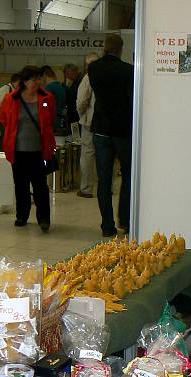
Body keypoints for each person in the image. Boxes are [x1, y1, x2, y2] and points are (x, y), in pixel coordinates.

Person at [0, 66, 56, 233]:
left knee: (40, 185)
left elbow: (50, 119)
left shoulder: (47, 98)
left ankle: (44, 218)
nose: (38, 82)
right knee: (21, 184)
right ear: (24, 81)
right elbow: (4, 118)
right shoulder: (11, 98)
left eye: (39, 79)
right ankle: (21, 215)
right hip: (17, 149)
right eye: (34, 79)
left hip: (39, 149)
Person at [88, 34, 133, 236]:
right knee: (127, 175)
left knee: (104, 180)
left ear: (105, 48)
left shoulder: (93, 68)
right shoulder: (128, 70)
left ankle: (107, 225)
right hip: (123, 130)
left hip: (101, 129)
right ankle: (125, 220)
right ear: (121, 49)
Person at [75, 53, 100, 199]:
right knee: (105, 156)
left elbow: (81, 101)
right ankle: (106, 187)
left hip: (90, 122)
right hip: (106, 123)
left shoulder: (88, 78)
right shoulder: (107, 77)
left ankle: (86, 188)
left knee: (87, 155)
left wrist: (82, 115)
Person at [40, 65, 67, 132]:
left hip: (52, 121)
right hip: (62, 120)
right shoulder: (63, 87)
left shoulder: (48, 89)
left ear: (44, 76)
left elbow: (45, 105)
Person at [63, 63, 82, 128]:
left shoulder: (80, 81)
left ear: (73, 71)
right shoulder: (76, 81)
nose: (67, 76)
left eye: (67, 73)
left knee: (77, 136)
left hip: (77, 115)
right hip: (76, 114)